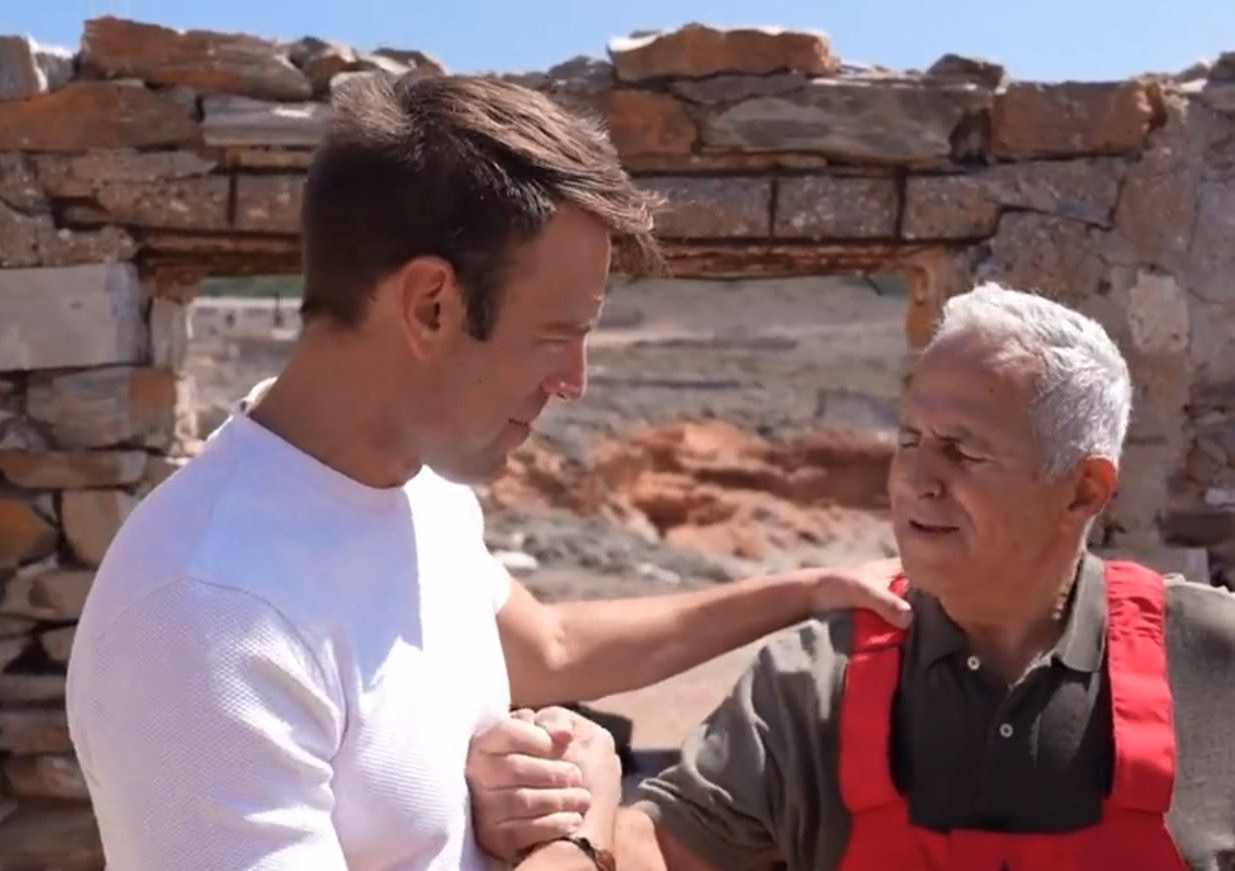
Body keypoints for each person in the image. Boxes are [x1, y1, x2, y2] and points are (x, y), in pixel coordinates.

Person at [63, 71, 909, 871]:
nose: (575, 381)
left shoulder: (416, 484)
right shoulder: (207, 615)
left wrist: (807, 589)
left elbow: (550, 646)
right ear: (431, 305)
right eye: (555, 335)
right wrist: (582, 832)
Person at [467, 282, 1235, 870]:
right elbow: (660, 845)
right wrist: (575, 811)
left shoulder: (1221, 659)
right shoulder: (812, 680)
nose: (916, 479)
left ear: (1084, 489)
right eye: (909, 440)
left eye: (963, 450)